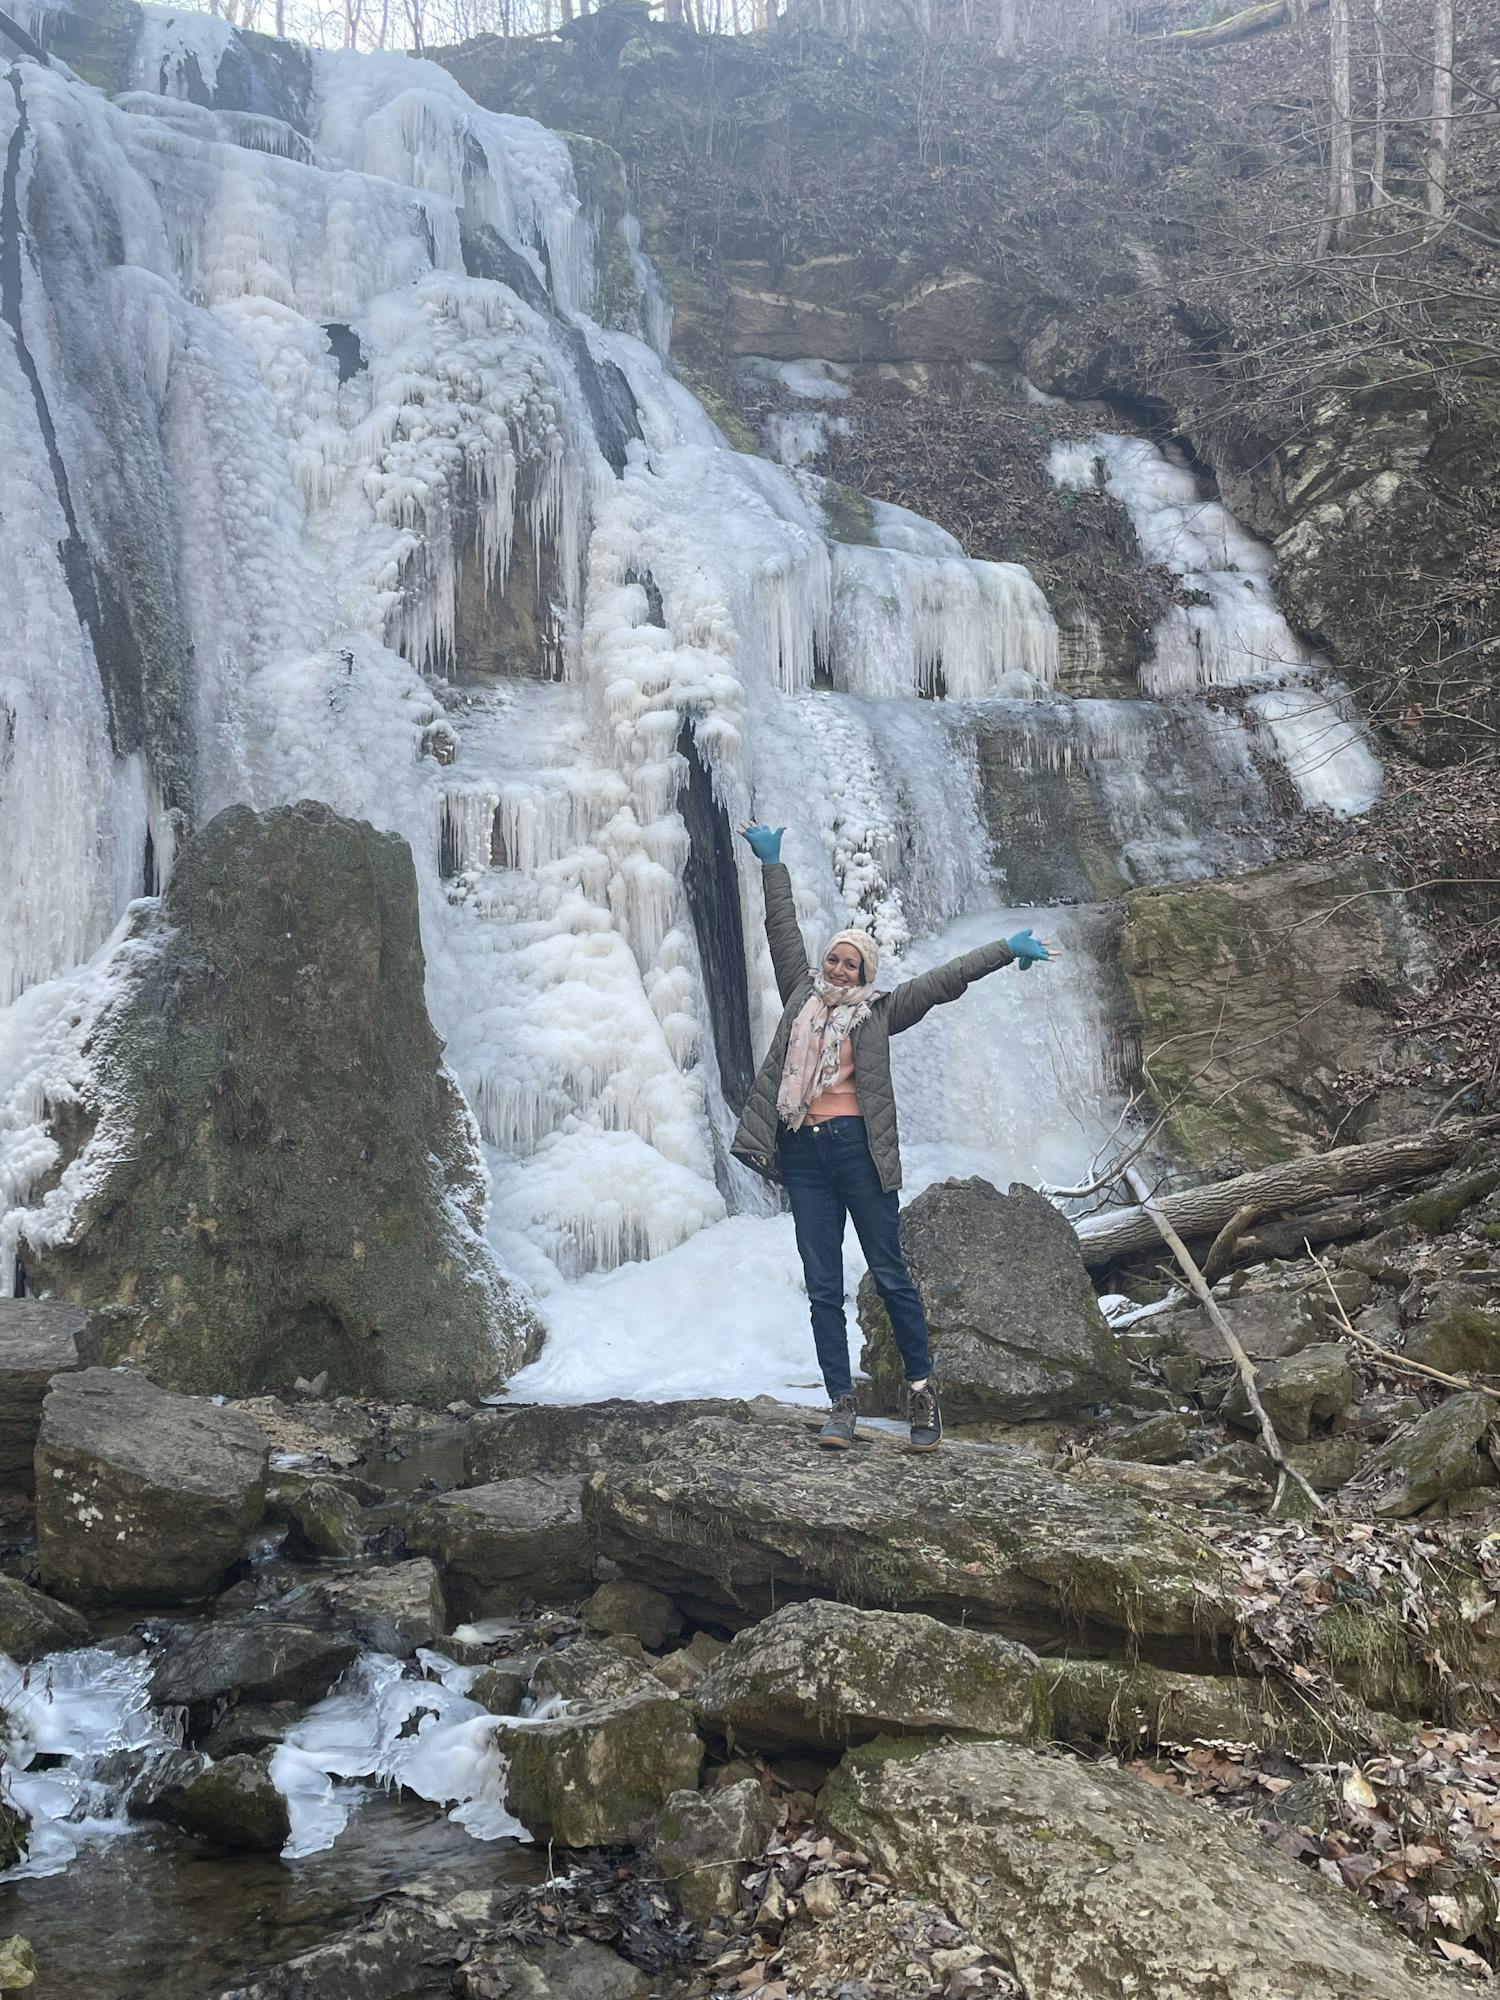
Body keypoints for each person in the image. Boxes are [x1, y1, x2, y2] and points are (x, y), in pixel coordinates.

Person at [730, 823, 1060, 1452]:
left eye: (851, 962)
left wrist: (1001, 950)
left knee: (890, 1273)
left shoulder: (881, 1013)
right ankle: (840, 1405)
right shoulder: (801, 995)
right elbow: (781, 930)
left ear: (865, 974)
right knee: (822, 1283)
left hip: (860, 1154)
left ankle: (920, 1394)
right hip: (802, 1153)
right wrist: (773, 865)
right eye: (835, 956)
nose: (838, 966)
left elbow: (942, 981)